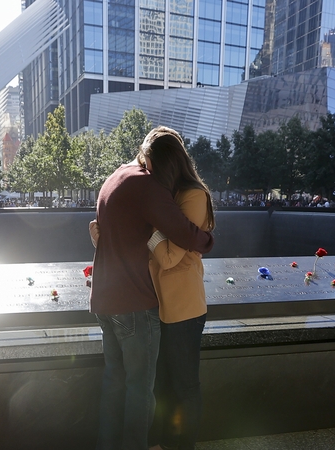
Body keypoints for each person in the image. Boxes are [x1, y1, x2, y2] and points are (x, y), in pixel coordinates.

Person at [90, 126, 214, 450]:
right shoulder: (147, 187)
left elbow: (103, 231)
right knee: (140, 390)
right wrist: (207, 239)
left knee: (114, 383)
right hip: (134, 304)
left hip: (105, 299)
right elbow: (185, 235)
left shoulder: (116, 177)